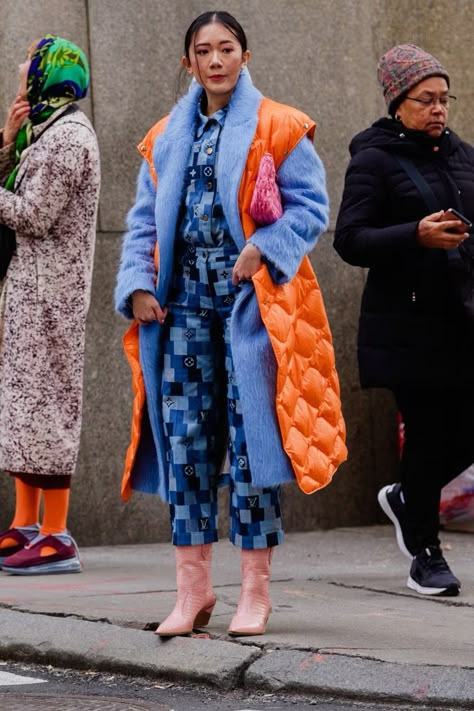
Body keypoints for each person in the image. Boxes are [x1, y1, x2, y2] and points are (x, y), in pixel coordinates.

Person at [115, 11, 346, 637]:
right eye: (202, 51)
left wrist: (265, 249)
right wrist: (136, 284)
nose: (215, 60)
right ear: (188, 61)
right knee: (187, 448)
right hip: (180, 307)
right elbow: (142, 222)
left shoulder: (280, 125)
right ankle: (192, 593)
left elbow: (310, 209)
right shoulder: (163, 135)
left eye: (226, 49)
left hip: (252, 306)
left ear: (245, 55)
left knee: (252, 450)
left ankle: (255, 593)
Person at [334, 44, 474, 597]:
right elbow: (350, 240)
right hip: (409, 325)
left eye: (445, 98)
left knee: (458, 434)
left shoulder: (465, 156)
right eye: (426, 99)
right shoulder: (374, 159)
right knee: (428, 431)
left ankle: (406, 497)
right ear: (398, 101)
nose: (438, 109)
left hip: (463, 318)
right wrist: (413, 234)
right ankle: (425, 554)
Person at [0, 35, 100, 574]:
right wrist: (9, 137)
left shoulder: (69, 139)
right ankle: (25, 525)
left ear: (46, 75)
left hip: (50, 297)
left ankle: (57, 535)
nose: (20, 71)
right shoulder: (45, 131)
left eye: (28, 66)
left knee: (49, 410)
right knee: (22, 409)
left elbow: (35, 214)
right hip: (28, 292)